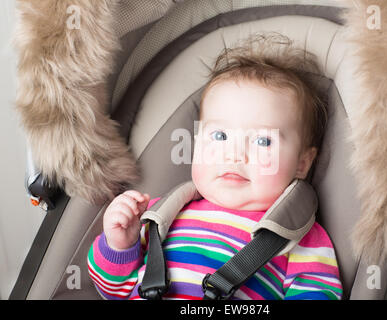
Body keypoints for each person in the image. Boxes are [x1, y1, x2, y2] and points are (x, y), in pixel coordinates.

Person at [87, 33, 342, 300]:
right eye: (220, 137)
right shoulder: (160, 215)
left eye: (263, 141)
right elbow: (114, 290)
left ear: (302, 164)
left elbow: (319, 293)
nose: (235, 155)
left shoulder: (300, 236)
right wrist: (119, 244)